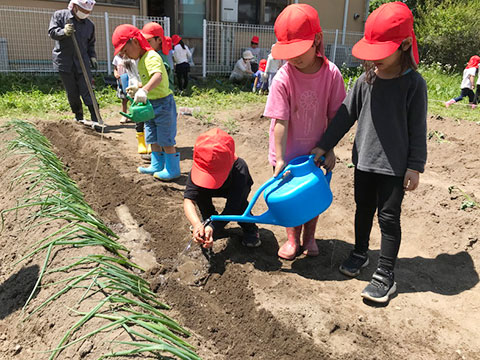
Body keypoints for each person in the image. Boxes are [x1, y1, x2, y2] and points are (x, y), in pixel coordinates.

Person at [312, 2, 427, 303]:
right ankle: (360, 252)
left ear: (403, 45)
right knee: (363, 209)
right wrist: (325, 144)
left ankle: (385, 274)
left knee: (388, 218)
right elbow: (345, 114)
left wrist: (415, 166)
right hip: (364, 161)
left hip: (395, 168)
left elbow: (417, 128)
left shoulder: (414, 84)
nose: (373, 60)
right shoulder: (366, 81)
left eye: (380, 53)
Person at [263, 4, 346, 261]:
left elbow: (335, 117)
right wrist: (280, 159)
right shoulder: (283, 78)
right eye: (288, 53)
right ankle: (291, 239)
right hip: (286, 150)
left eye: (299, 51)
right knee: (289, 197)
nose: (293, 58)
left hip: (316, 149)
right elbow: (281, 121)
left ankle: (309, 237)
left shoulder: (332, 75)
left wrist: (329, 147)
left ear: (317, 41)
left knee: (310, 194)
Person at [112, 24, 180, 181]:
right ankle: (156, 165)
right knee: (152, 136)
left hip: (163, 103)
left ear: (135, 42)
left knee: (166, 138)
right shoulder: (140, 59)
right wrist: (138, 87)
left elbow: (157, 76)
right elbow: (149, 80)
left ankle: (173, 169)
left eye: (125, 50)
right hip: (151, 103)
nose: (125, 55)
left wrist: (145, 90)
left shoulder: (151, 57)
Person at [184, 128, 261, 249]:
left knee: (240, 206)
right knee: (201, 197)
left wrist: (214, 227)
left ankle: (250, 229)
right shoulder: (198, 168)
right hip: (207, 188)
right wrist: (197, 224)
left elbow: (232, 207)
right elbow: (189, 200)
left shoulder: (240, 170)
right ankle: (208, 221)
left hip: (233, 187)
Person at [48, 0, 101, 125]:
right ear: (76, 7)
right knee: (72, 92)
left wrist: (92, 56)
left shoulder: (89, 25)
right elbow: (52, 32)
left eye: (88, 12)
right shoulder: (60, 16)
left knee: (87, 89)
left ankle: (96, 118)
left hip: (82, 62)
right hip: (64, 61)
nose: (86, 13)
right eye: (84, 11)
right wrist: (63, 32)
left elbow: (90, 44)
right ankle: (79, 117)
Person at [141, 22, 175, 92]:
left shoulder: (160, 57)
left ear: (159, 40)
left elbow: (158, 77)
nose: (146, 45)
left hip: (164, 95)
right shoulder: (154, 53)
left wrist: (142, 87)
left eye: (149, 41)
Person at [112, 54, 129, 123]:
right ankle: (124, 115)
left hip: (129, 81)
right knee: (124, 99)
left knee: (133, 99)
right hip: (121, 82)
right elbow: (115, 68)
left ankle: (134, 114)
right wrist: (115, 74)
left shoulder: (130, 56)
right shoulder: (117, 58)